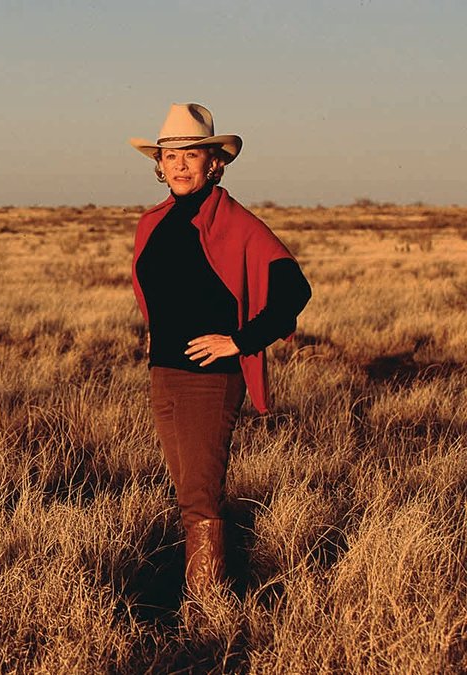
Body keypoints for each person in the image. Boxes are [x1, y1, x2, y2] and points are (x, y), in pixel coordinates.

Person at [128, 103, 311, 599]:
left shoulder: (236, 222)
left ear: (215, 163)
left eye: (192, 154)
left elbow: (294, 291)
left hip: (209, 377)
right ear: (159, 165)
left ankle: (208, 615)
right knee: (188, 491)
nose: (180, 165)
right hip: (164, 373)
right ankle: (201, 598)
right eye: (170, 156)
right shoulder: (154, 222)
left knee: (199, 496)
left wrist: (240, 341)